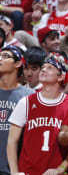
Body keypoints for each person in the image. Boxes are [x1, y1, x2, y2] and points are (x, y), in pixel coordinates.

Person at [7, 53, 68, 174]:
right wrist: (14, 172)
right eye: (43, 67)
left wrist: (61, 168)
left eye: (50, 68)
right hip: (27, 171)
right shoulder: (26, 102)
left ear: (61, 77)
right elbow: (12, 141)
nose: (44, 70)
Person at [0, 45, 34, 174]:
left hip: (15, 168)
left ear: (18, 63)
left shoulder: (29, 96)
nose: (0, 59)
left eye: (6, 56)